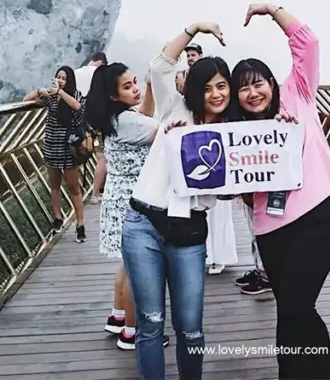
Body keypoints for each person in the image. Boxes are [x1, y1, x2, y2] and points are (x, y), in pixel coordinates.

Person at [231, 3, 330, 380]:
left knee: (297, 307)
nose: (252, 92)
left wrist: (271, 9)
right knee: (290, 310)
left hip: (318, 213)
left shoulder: (296, 94)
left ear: (271, 82)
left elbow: (307, 43)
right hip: (271, 225)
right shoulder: (237, 131)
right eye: (243, 87)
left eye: (258, 82)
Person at [120, 21, 226, 380]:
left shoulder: (234, 131)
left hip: (190, 232)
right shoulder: (175, 107)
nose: (215, 93)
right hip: (144, 224)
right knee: (150, 324)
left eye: (222, 86)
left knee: (191, 327)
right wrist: (193, 28)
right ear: (195, 89)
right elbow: (160, 66)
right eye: (207, 86)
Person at [84, 62, 170, 351]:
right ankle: (133, 331)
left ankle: (118, 315)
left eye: (135, 82)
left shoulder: (117, 118)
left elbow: (144, 116)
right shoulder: (128, 122)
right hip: (134, 202)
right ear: (113, 95)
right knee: (140, 271)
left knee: (127, 262)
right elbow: (164, 130)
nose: (134, 89)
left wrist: (148, 88)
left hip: (117, 198)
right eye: (128, 86)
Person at [24, 65, 89, 243]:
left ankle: (80, 224)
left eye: (64, 78)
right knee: (54, 185)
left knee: (74, 188)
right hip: (52, 145)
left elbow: (77, 107)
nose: (60, 80)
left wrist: (60, 93)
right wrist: (40, 91)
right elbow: (26, 99)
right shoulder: (51, 98)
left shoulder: (75, 95)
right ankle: (57, 218)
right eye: (58, 77)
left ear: (70, 81)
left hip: (69, 148)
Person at [75, 51, 109, 205]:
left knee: (79, 156)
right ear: (101, 62)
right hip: (97, 120)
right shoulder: (100, 74)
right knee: (101, 157)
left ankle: (77, 194)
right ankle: (95, 193)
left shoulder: (75, 73)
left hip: (77, 121)